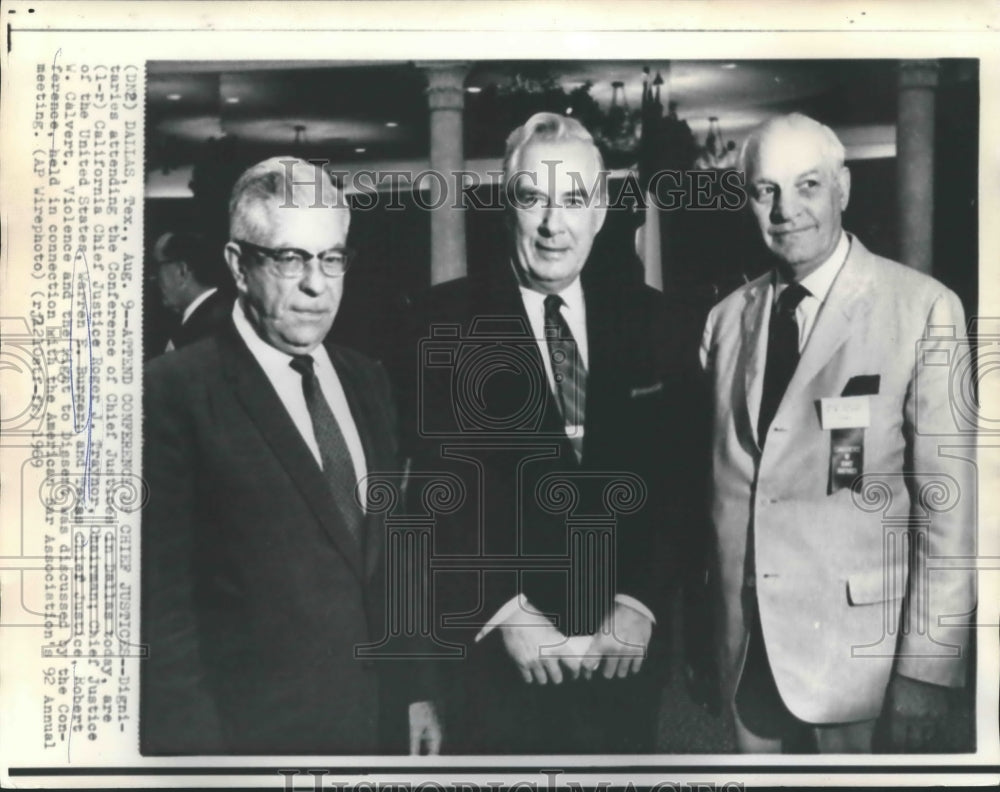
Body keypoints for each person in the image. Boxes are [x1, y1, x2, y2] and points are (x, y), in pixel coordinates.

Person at [403, 112, 699, 753]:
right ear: (506, 206)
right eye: (533, 198)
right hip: (497, 668)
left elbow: (682, 479)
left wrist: (640, 601)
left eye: (573, 200)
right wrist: (503, 610)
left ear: (600, 211)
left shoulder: (655, 321)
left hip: (620, 658)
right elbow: (431, 496)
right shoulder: (441, 321)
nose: (551, 224)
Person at [141, 157, 441, 755]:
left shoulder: (366, 379)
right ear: (238, 266)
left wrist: (413, 690)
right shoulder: (171, 393)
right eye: (290, 258)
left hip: (377, 728)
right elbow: (161, 616)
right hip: (252, 744)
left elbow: (391, 556)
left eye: (332, 259)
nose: (316, 284)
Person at [699, 113, 974, 753]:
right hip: (752, 661)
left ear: (844, 190)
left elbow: (950, 511)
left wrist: (929, 670)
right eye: (766, 189)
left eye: (808, 186)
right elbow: (721, 495)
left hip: (864, 666)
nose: (785, 210)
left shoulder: (924, 309)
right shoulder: (725, 321)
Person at [150, 231, 230, 352]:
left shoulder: (206, 331)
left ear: (182, 271)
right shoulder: (225, 314)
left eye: (157, 268)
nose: (152, 278)